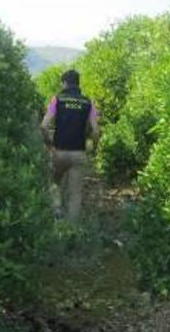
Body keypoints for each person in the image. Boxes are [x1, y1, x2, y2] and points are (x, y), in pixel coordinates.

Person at [40, 69, 100, 223]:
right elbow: (95, 130)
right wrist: (94, 146)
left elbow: (44, 126)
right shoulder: (88, 102)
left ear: (65, 83)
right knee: (75, 193)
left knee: (55, 184)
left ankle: (57, 216)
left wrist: (49, 144)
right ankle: (72, 229)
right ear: (78, 83)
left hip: (59, 151)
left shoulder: (57, 100)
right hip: (78, 152)